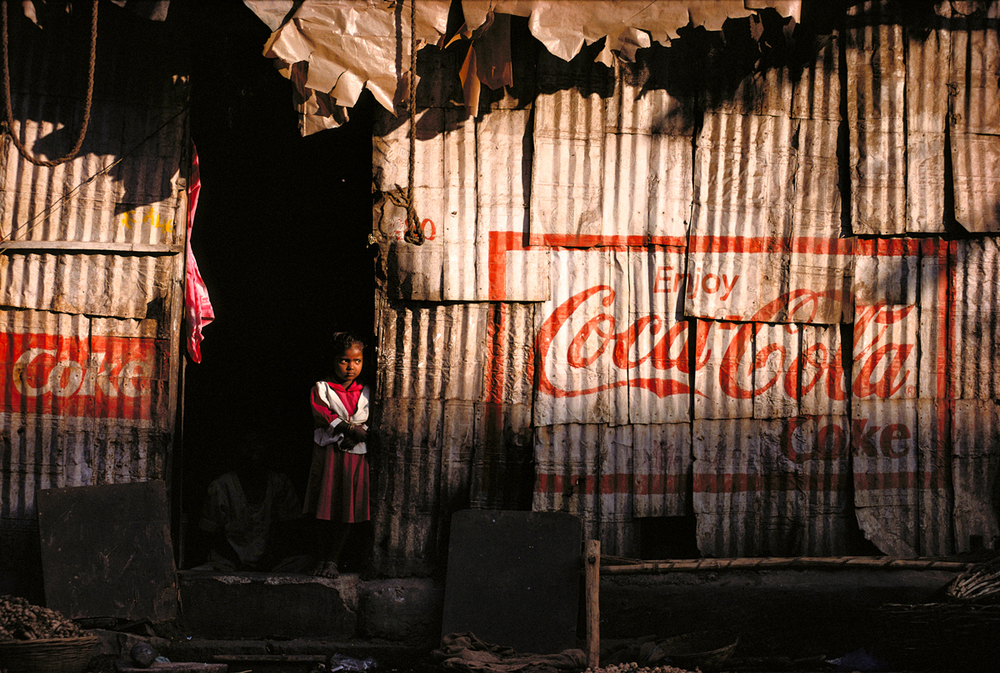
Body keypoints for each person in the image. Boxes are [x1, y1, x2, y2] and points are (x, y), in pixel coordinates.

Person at [304, 331, 372, 577]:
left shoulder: (366, 392)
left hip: (355, 459)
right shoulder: (322, 389)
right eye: (344, 360)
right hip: (329, 456)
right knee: (324, 508)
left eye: (357, 361)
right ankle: (321, 557)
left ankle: (333, 560)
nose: (351, 367)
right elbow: (323, 415)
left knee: (347, 509)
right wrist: (351, 428)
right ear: (333, 361)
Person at [196, 430, 309, 572]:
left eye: (258, 443)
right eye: (247, 444)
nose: (253, 449)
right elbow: (211, 534)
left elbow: (289, 529)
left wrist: (269, 559)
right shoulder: (222, 486)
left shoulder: (279, 483)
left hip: (272, 562)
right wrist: (238, 563)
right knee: (206, 569)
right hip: (230, 562)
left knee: (304, 562)